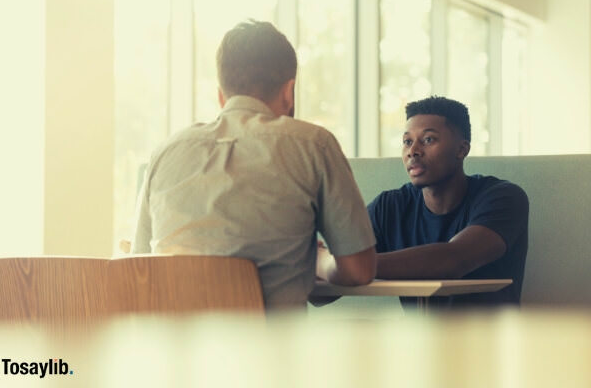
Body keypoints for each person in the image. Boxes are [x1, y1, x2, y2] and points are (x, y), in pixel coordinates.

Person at [130, 20, 376, 310]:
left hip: (174, 349)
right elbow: (359, 270)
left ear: (222, 95)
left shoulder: (165, 152)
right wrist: (320, 261)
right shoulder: (313, 144)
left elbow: (138, 267)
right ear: (289, 92)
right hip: (270, 351)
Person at [367, 96, 529, 308]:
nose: (412, 151)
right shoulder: (389, 207)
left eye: (428, 140)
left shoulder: (503, 198)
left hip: (490, 339)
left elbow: (452, 260)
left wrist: (351, 265)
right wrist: (325, 264)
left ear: (461, 150)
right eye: (407, 141)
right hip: (418, 339)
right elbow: (322, 294)